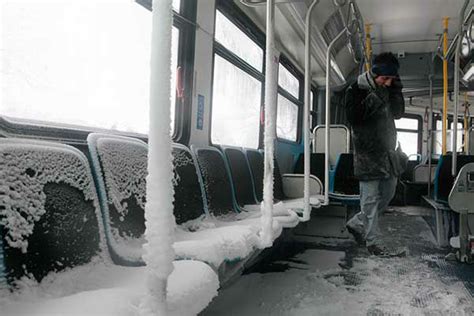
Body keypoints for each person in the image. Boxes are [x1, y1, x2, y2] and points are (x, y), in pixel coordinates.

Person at [344, 52, 405, 256]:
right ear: (375, 73)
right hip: (367, 154)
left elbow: (397, 113)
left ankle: (356, 222)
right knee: (369, 200)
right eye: (385, 79)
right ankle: (372, 243)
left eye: (391, 79)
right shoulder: (356, 89)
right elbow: (354, 118)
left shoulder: (390, 88)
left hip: (388, 152)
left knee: (388, 194)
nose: (387, 83)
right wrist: (377, 96)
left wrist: (396, 92)